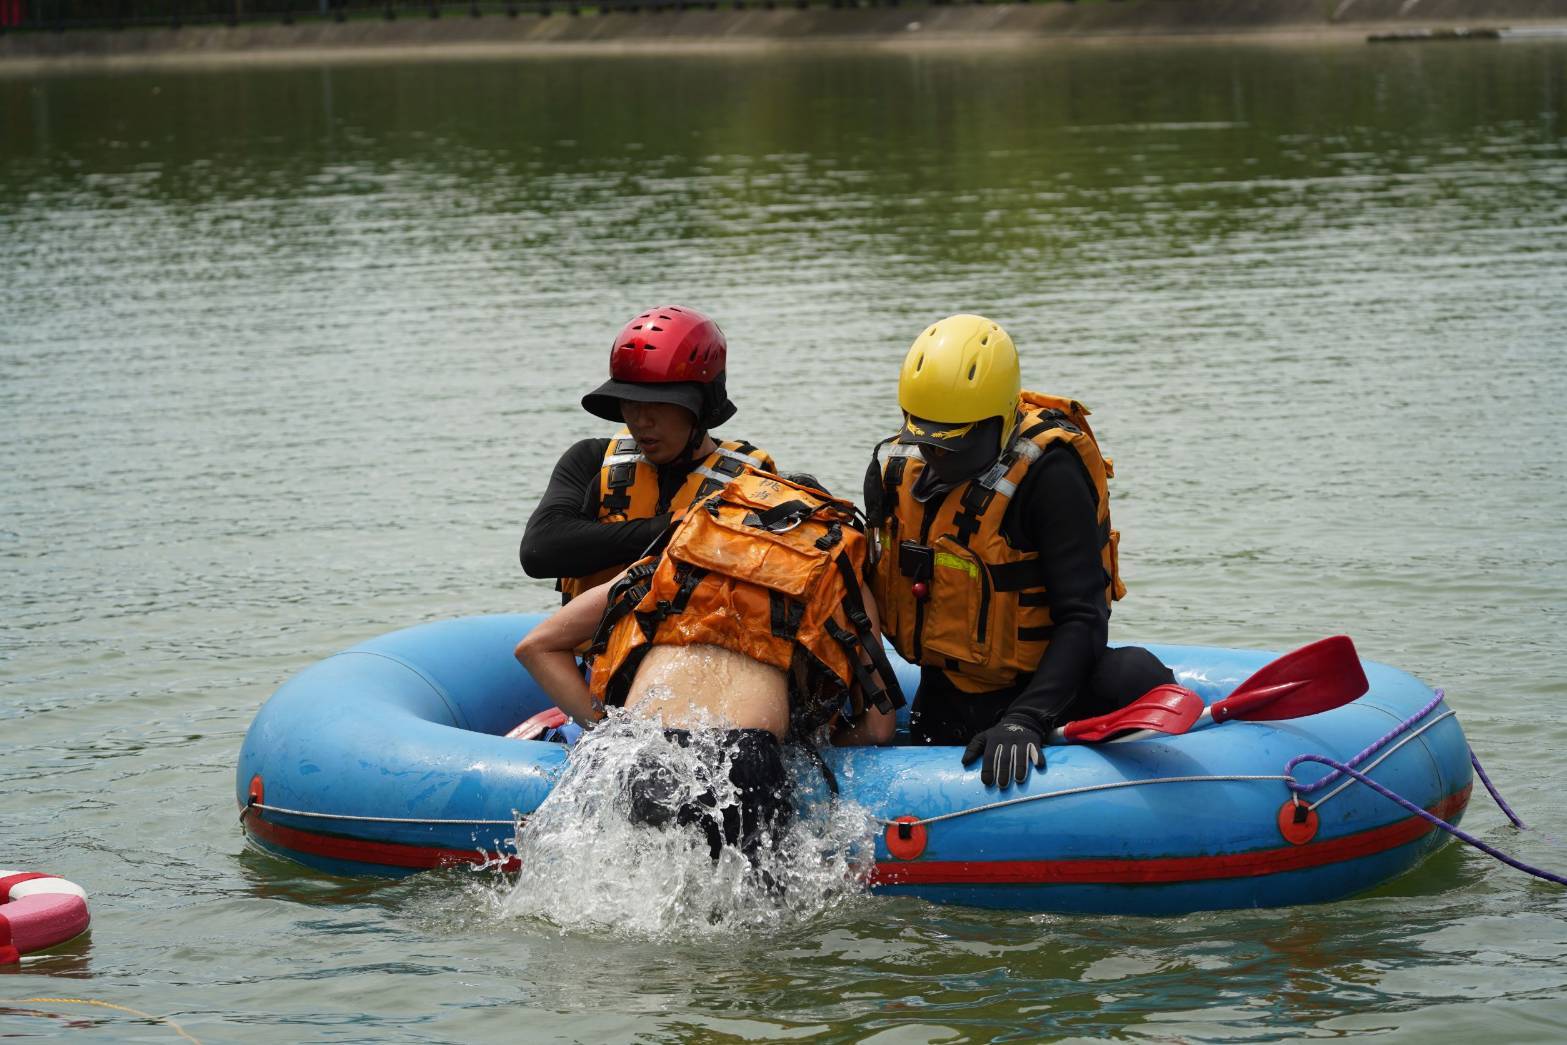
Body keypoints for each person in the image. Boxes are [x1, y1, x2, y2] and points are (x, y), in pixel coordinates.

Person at [515, 470, 903, 861]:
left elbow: (536, 647)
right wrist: (816, 748)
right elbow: (879, 726)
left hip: (640, 750)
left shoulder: (675, 564)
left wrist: (608, 730)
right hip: (743, 755)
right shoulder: (834, 576)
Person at [864, 314, 1174, 790]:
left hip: (1040, 690)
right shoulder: (903, 471)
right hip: (945, 695)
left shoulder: (1049, 476)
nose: (936, 457)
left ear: (1001, 419)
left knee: (1134, 673)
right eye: (925, 439)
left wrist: (1025, 718)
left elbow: (1084, 616)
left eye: (954, 442)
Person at [520, 305, 776, 602]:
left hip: (693, 647)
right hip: (592, 648)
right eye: (630, 404)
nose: (642, 421)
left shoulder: (751, 482)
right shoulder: (591, 460)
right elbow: (539, 551)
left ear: (703, 406)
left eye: (660, 404)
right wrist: (679, 526)